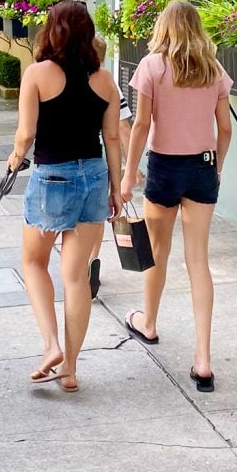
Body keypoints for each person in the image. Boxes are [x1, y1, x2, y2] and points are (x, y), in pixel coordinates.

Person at [8, 1, 123, 394]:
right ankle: (70, 369)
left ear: (52, 32)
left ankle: (51, 345)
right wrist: (116, 187)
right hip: (93, 176)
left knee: (34, 261)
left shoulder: (37, 73)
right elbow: (112, 138)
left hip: (52, 177)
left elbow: (26, 133)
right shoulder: (105, 80)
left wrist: (14, 158)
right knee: (76, 279)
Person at [119, 0, 233, 393]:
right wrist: (215, 166)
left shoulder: (152, 67)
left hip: (165, 166)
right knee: (198, 260)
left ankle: (148, 322)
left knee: (156, 250)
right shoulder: (214, 70)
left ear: (164, 28)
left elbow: (142, 123)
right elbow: (226, 129)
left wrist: (129, 173)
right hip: (202, 166)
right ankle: (203, 359)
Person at [87, 35, 142, 299]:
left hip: (67, 160)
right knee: (97, 215)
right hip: (98, 160)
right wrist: (131, 165)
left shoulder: (62, 77)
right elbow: (120, 128)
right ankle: (92, 259)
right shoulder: (108, 83)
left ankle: (78, 263)